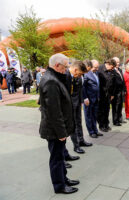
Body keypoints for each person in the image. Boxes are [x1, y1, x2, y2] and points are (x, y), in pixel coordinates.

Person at [39, 53, 79, 194]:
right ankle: (59, 186)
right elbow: (53, 112)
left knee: (60, 156)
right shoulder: (51, 81)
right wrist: (61, 133)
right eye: (64, 67)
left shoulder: (54, 77)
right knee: (56, 158)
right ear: (57, 65)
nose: (66, 70)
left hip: (56, 129)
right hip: (54, 130)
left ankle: (64, 179)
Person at [65, 60, 91, 154]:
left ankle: (81, 140)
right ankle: (76, 146)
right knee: (72, 125)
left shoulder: (79, 78)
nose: (80, 76)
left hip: (77, 104)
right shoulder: (65, 76)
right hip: (68, 105)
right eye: (79, 74)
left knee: (79, 122)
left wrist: (81, 101)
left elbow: (79, 90)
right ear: (75, 70)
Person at [83, 60, 102, 138]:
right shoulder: (86, 74)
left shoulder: (96, 73)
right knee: (89, 116)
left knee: (94, 115)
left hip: (96, 98)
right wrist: (85, 98)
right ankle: (91, 132)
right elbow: (83, 87)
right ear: (90, 66)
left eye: (97, 67)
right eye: (95, 67)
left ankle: (95, 130)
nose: (96, 69)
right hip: (89, 100)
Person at [97, 58, 116, 132]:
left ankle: (106, 124)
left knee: (107, 110)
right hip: (101, 94)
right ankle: (101, 125)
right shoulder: (100, 69)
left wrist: (112, 94)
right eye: (112, 67)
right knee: (101, 111)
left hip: (108, 94)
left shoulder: (111, 71)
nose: (112, 69)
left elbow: (113, 83)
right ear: (108, 64)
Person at [111, 57, 126, 126]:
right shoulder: (112, 70)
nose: (118, 63)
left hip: (121, 91)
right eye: (116, 62)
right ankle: (115, 120)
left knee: (120, 105)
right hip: (115, 92)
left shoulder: (119, 70)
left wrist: (124, 90)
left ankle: (120, 119)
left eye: (118, 62)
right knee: (115, 107)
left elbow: (123, 80)